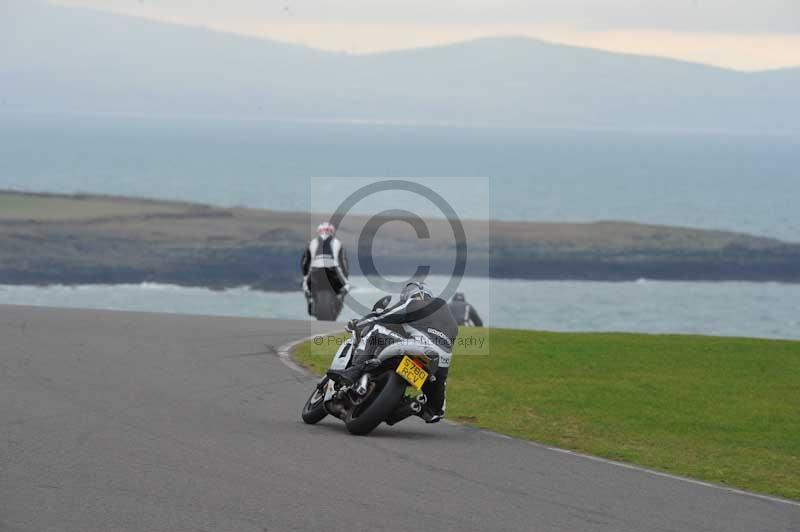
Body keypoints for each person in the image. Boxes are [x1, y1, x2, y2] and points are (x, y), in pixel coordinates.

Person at [329, 281, 458, 423]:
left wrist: (359, 324)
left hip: (418, 347)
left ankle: (353, 372)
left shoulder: (414, 303)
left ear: (411, 293)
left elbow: (384, 317)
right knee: (435, 410)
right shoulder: (448, 314)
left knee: (376, 329)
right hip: (439, 363)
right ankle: (413, 407)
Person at [300, 222, 349, 315]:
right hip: (333, 271)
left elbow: (305, 262)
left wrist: (305, 275)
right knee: (347, 286)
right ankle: (339, 299)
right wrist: (346, 276)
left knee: (305, 285)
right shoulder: (338, 242)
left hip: (315, 271)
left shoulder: (311, 242)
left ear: (319, 231)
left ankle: (310, 299)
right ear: (332, 232)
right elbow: (343, 262)